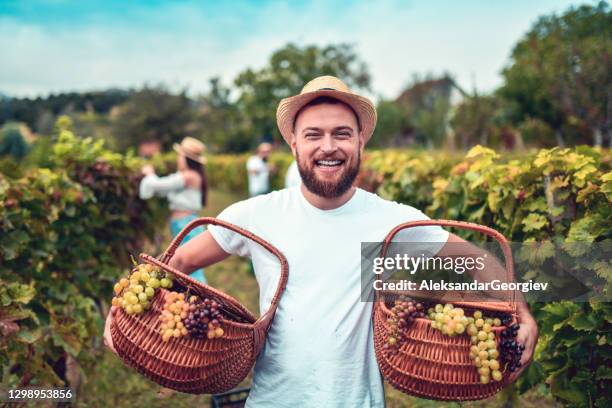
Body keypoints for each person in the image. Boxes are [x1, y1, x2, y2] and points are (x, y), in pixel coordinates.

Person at [106, 76, 538, 407]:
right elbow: (178, 261)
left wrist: (520, 310)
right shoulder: (255, 216)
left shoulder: (393, 224)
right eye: (313, 134)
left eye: (341, 134)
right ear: (293, 142)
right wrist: (124, 315)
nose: (327, 146)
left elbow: (477, 262)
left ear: (361, 140)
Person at [138, 136, 208, 283]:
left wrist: (149, 173)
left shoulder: (188, 176)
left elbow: (160, 185)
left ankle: (200, 297)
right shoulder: (191, 175)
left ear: (186, 158)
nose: (178, 159)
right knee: (189, 262)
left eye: (180, 156)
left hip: (186, 224)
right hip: (184, 224)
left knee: (191, 263)